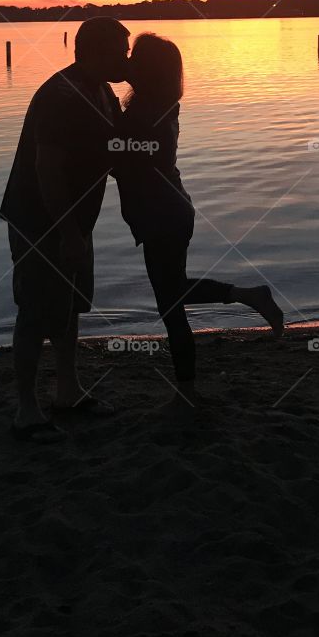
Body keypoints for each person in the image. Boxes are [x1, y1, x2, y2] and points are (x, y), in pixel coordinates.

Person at [114, 32, 283, 397]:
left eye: (134, 58)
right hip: (169, 211)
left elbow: (123, 161)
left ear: (147, 69)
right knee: (171, 296)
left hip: (162, 214)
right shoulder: (155, 106)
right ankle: (246, 297)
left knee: (170, 302)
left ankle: (190, 385)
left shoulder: (146, 114)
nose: (127, 63)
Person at [0, 17, 130, 441]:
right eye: (120, 51)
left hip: (76, 221)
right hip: (41, 221)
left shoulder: (103, 92)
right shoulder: (59, 96)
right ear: (94, 51)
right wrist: (68, 233)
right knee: (35, 312)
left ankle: (68, 391)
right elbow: (47, 169)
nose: (126, 59)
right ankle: (25, 408)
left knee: (69, 306)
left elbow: (114, 151)